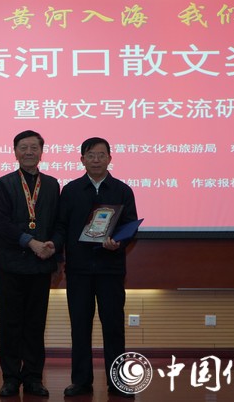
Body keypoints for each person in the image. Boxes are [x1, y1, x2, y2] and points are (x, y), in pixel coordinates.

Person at [52, 137, 138, 398]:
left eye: (101, 155)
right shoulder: (71, 191)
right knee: (80, 326)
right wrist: (58, 257)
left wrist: (118, 242)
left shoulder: (122, 190)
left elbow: (130, 226)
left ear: (110, 158)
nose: (96, 160)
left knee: (113, 326)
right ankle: (81, 381)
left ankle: (118, 381)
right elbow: (61, 226)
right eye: (91, 155)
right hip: (79, 270)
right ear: (82, 160)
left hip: (110, 269)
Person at [0, 130, 60, 398]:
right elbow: (2, 224)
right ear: (15, 152)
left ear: (41, 152)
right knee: (9, 324)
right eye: (24, 147)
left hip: (41, 264)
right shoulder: (3, 184)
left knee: (35, 324)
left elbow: (58, 222)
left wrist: (53, 244)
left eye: (34, 147)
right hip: (10, 265)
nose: (29, 152)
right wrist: (30, 242)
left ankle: (33, 377)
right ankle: (10, 378)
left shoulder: (52, 185)